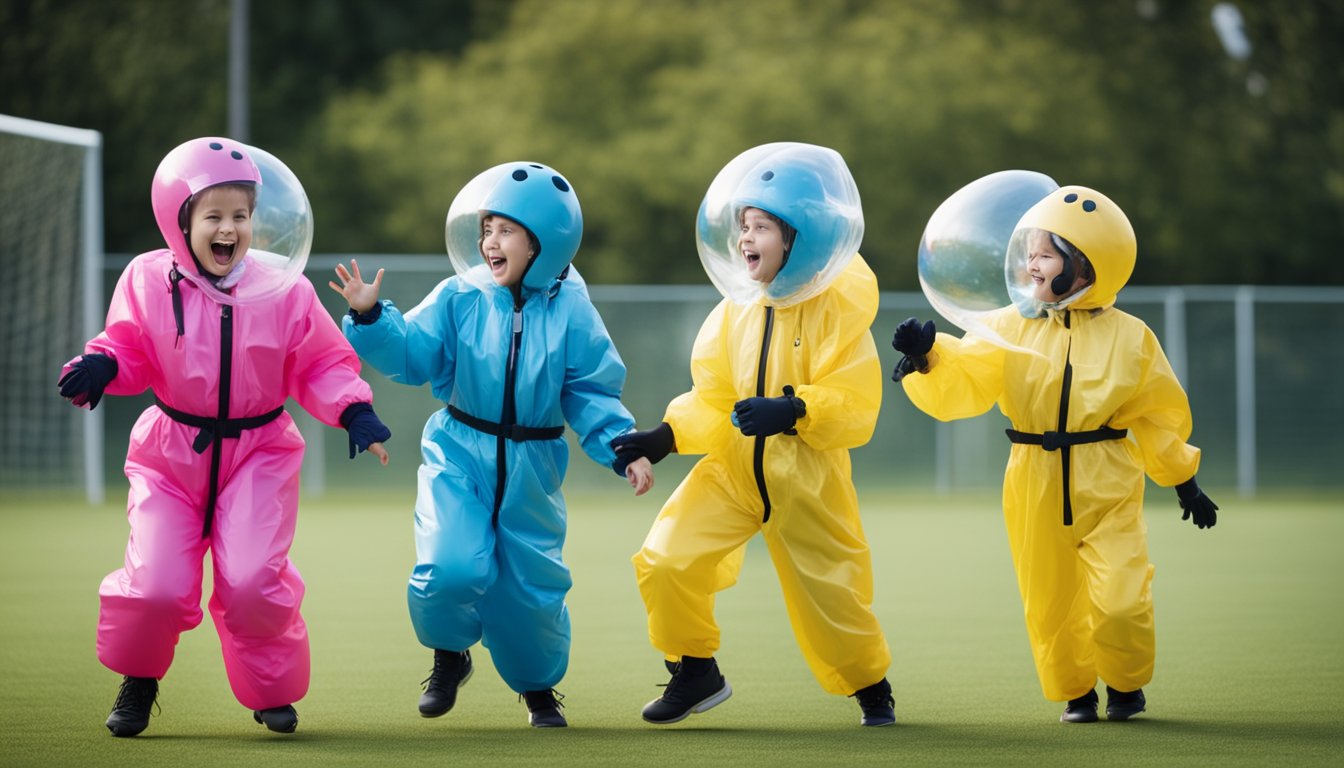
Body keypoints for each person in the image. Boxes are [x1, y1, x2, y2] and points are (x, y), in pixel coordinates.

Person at [57, 137, 391, 738]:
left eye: (241, 215)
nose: (229, 229)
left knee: (255, 581)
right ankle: (139, 680)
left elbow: (319, 362)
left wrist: (354, 411)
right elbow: (128, 345)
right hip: (168, 453)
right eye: (213, 215)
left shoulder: (283, 285)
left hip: (260, 451)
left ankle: (272, 693)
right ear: (179, 219)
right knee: (156, 582)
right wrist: (103, 365)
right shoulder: (146, 277)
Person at [330, 161, 653, 729]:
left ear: (543, 243)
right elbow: (413, 355)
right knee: (450, 567)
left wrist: (623, 447)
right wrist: (371, 316)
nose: (489, 242)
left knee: (530, 591)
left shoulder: (573, 308)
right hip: (458, 452)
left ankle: (537, 690)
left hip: (534, 466)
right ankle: (449, 654)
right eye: (486, 229)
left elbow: (591, 390)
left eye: (504, 230)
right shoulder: (461, 294)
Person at [891, 185, 1219, 724]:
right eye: (1029, 253)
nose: (1030, 265)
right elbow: (969, 379)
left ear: (1087, 264)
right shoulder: (1006, 326)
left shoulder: (1131, 338)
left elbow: (1158, 416)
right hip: (1032, 479)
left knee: (1121, 596)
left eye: (1044, 254)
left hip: (1107, 478)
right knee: (1049, 600)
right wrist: (929, 357)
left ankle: (1126, 683)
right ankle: (1076, 693)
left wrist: (1184, 480)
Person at [612, 143, 895, 727]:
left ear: (798, 236)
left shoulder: (837, 312)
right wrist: (666, 436)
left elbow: (856, 406)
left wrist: (794, 411)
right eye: (743, 225)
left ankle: (871, 687)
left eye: (761, 225)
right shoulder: (735, 310)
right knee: (666, 560)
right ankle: (695, 671)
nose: (746, 238)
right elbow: (713, 398)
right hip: (733, 470)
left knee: (835, 599)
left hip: (808, 480)